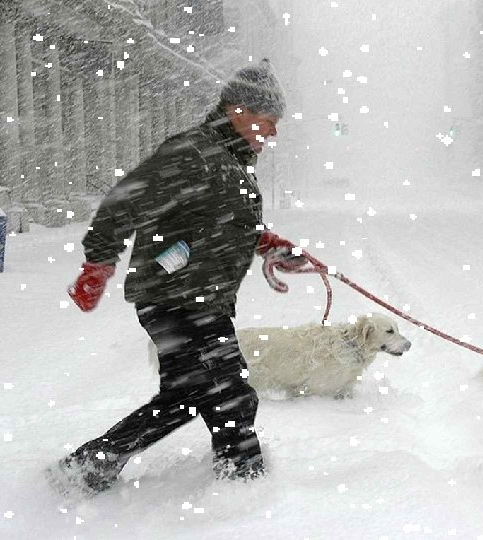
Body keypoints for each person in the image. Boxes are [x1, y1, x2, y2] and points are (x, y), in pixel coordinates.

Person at [48, 60, 302, 496]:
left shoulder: (231, 162)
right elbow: (122, 203)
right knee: (212, 392)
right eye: (268, 121)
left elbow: (221, 221)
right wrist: (98, 263)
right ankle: (239, 483)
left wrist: (269, 244)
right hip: (175, 295)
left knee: (210, 394)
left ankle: (233, 477)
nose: (273, 133)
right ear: (239, 112)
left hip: (203, 298)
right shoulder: (193, 152)